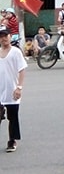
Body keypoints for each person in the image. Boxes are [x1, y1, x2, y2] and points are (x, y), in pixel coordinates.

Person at [0, 25, 27, 153]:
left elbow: (22, 70)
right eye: (1, 37)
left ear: (10, 36)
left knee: (13, 117)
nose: (3, 39)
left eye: (5, 36)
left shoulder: (15, 52)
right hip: (0, 90)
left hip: (12, 91)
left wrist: (19, 88)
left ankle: (12, 140)